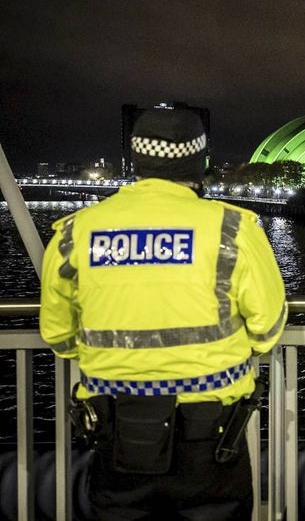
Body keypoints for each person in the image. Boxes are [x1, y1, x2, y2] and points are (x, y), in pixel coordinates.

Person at [39, 107, 287, 520]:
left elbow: (59, 337)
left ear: (136, 160)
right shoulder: (232, 229)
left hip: (116, 434)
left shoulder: (74, 233)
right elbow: (268, 330)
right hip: (212, 439)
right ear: (200, 162)